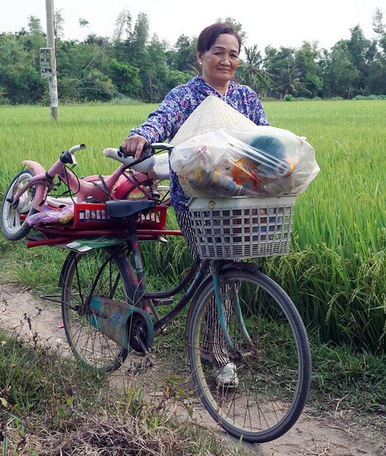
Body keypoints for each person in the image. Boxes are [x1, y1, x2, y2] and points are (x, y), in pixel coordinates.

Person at [122, 22, 269, 387]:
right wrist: (143, 135)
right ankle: (216, 354)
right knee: (219, 265)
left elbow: (265, 138)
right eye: (218, 52)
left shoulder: (246, 98)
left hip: (237, 198)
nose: (226, 60)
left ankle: (211, 345)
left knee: (227, 268)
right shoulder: (187, 95)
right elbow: (162, 119)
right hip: (196, 199)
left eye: (233, 54)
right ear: (200, 56)